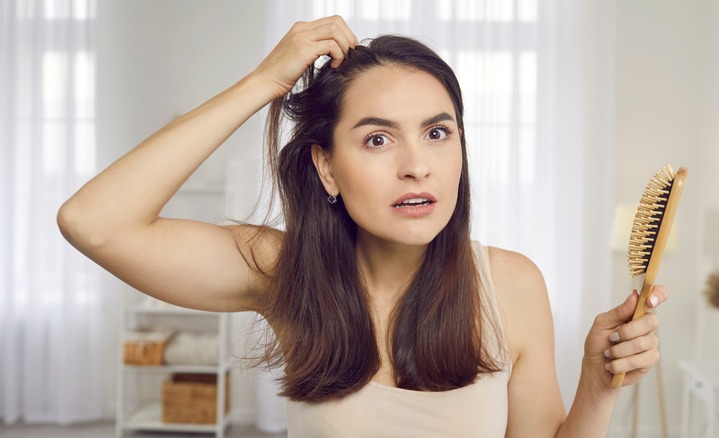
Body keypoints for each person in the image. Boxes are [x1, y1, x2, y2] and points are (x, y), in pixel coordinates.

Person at [58, 16, 669, 437]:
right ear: (326, 166)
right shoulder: (285, 272)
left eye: (438, 132)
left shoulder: (510, 284)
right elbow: (94, 223)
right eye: (378, 138)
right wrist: (265, 82)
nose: (416, 166)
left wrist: (598, 384)